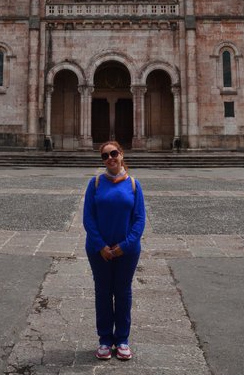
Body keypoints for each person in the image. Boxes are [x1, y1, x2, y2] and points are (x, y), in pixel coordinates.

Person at [83, 140, 146, 361]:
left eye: (113, 153)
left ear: (121, 154)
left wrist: (125, 246)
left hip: (126, 251)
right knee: (102, 292)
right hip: (98, 250)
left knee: (122, 292)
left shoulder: (134, 185)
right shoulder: (96, 183)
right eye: (105, 155)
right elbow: (88, 218)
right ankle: (104, 340)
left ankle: (122, 340)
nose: (110, 158)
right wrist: (100, 245)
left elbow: (139, 220)